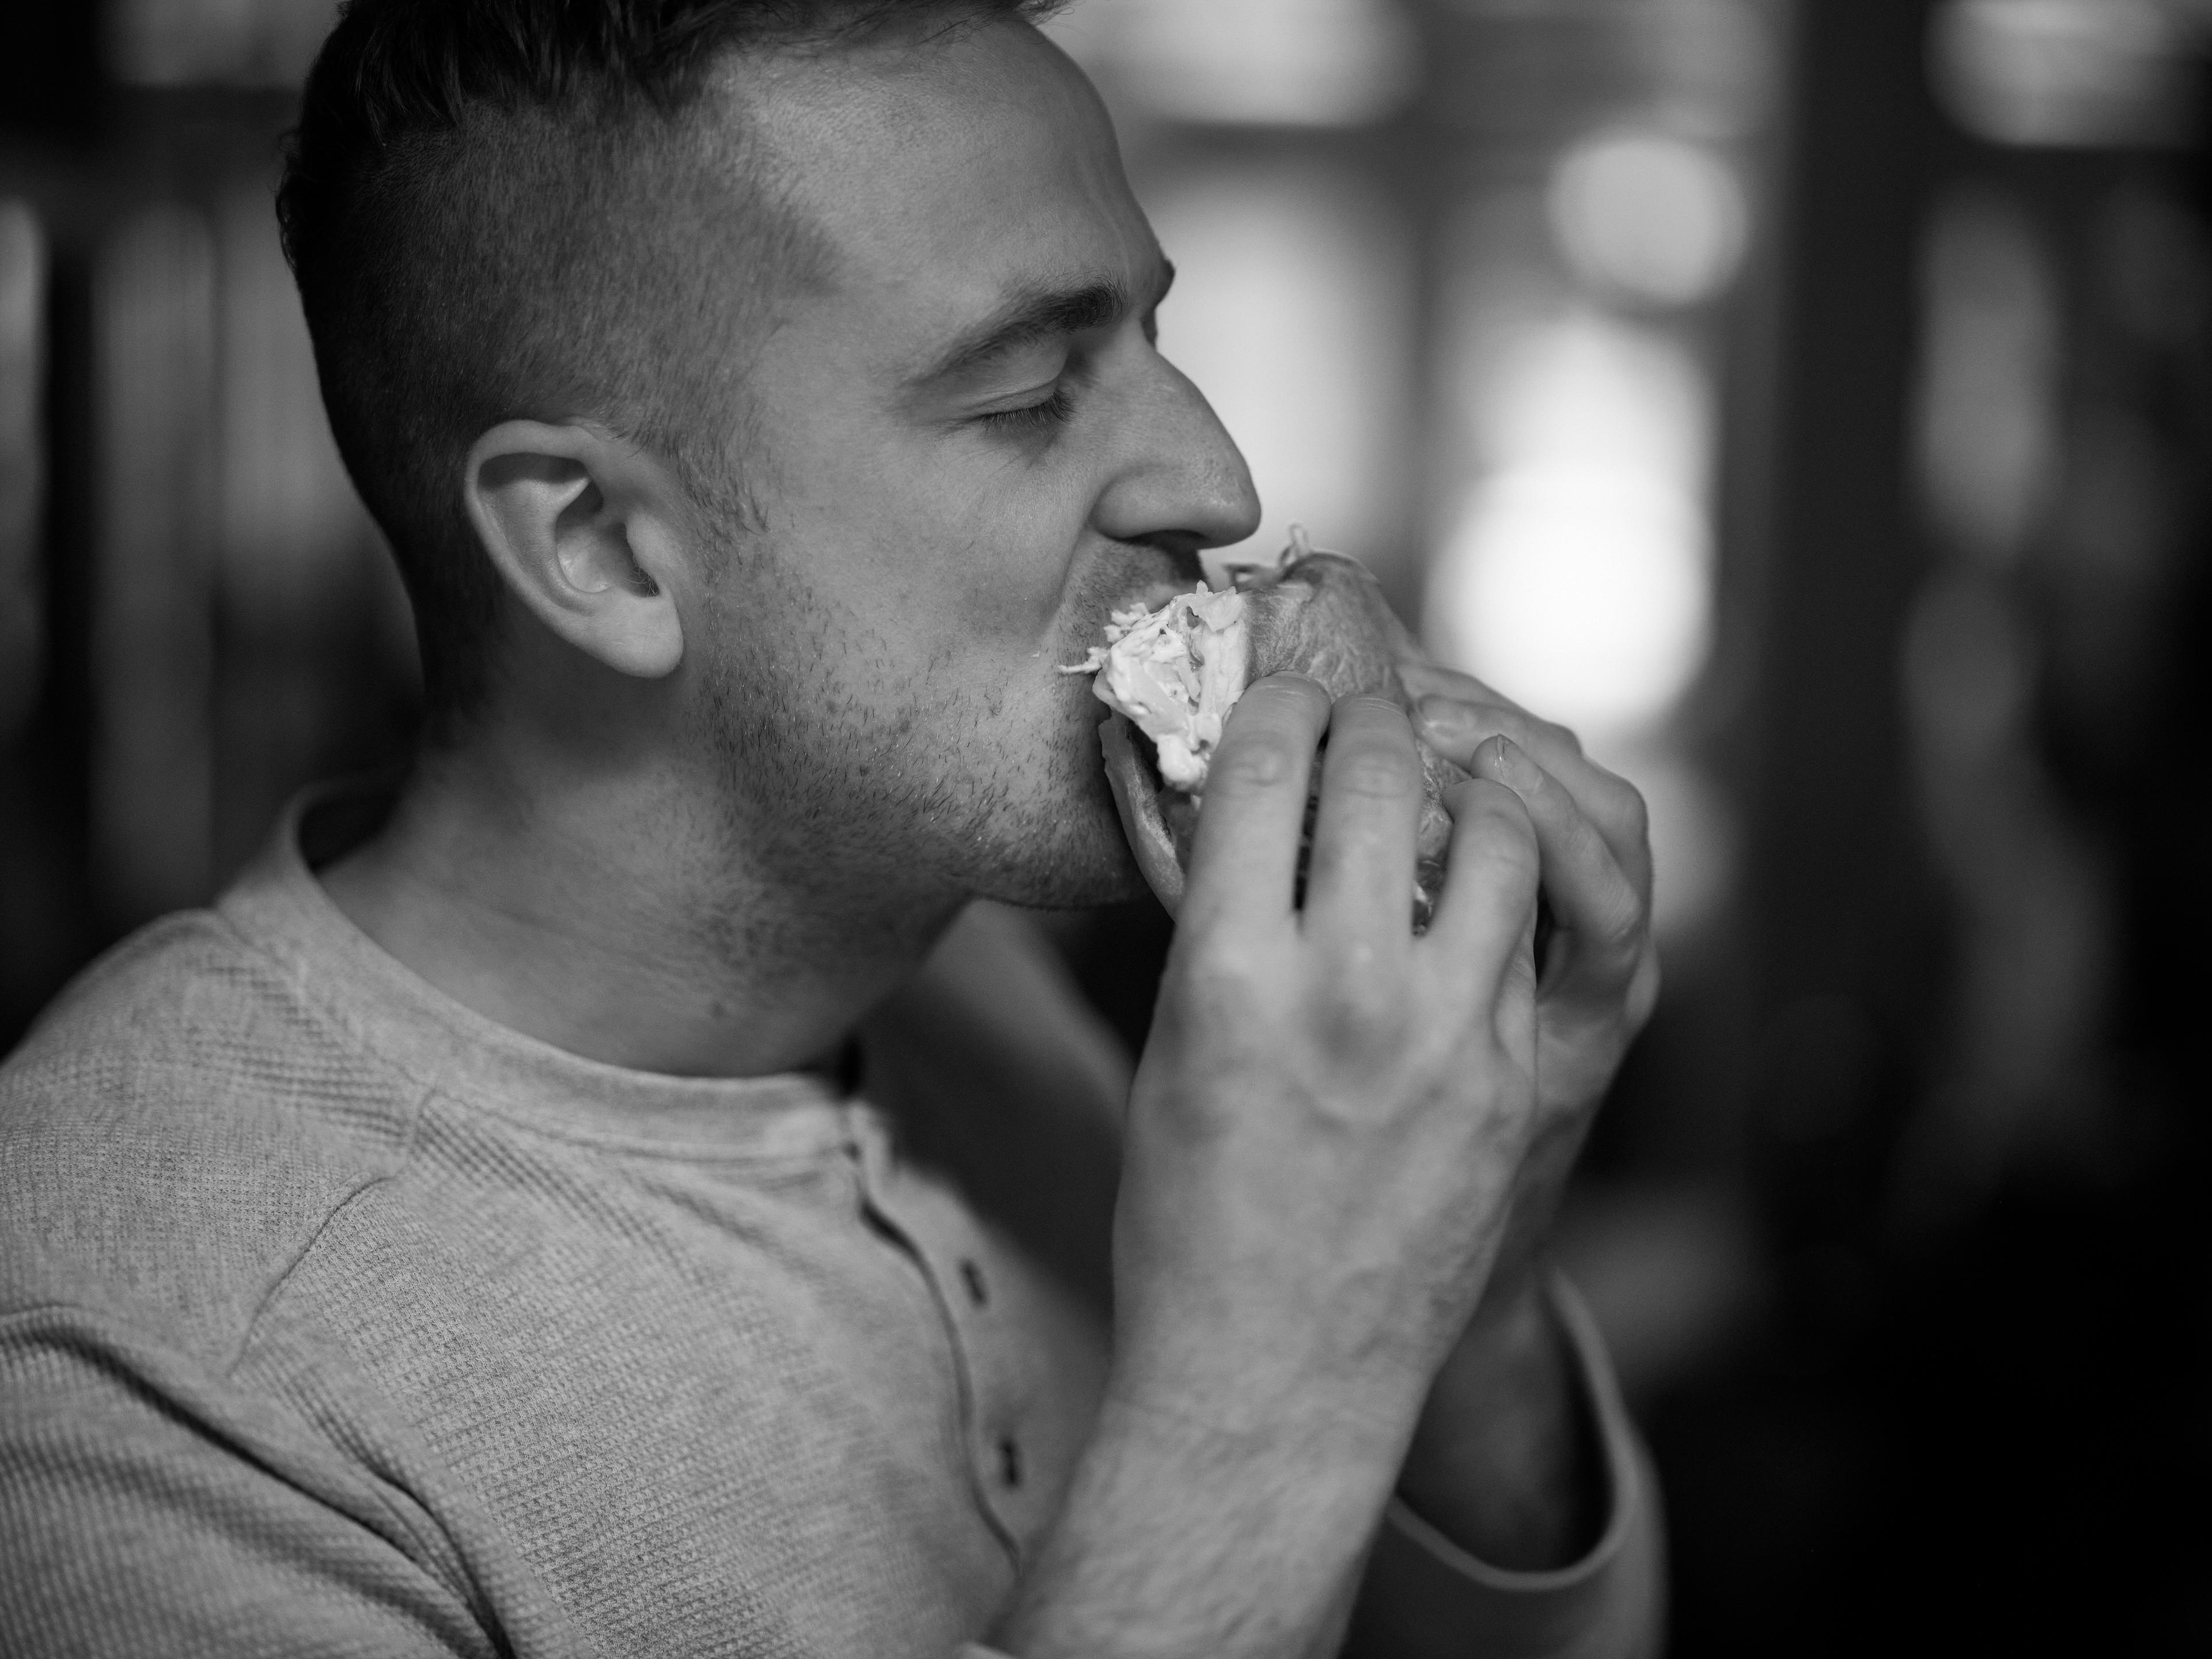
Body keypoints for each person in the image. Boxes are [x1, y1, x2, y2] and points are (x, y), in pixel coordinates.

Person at [0, 2, 1665, 1653]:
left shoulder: (974, 971)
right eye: (1025, 393)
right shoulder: (141, 1376)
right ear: (602, 551)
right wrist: (1277, 1381)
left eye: (1156, 341)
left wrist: (1467, 1291)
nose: (1221, 485)